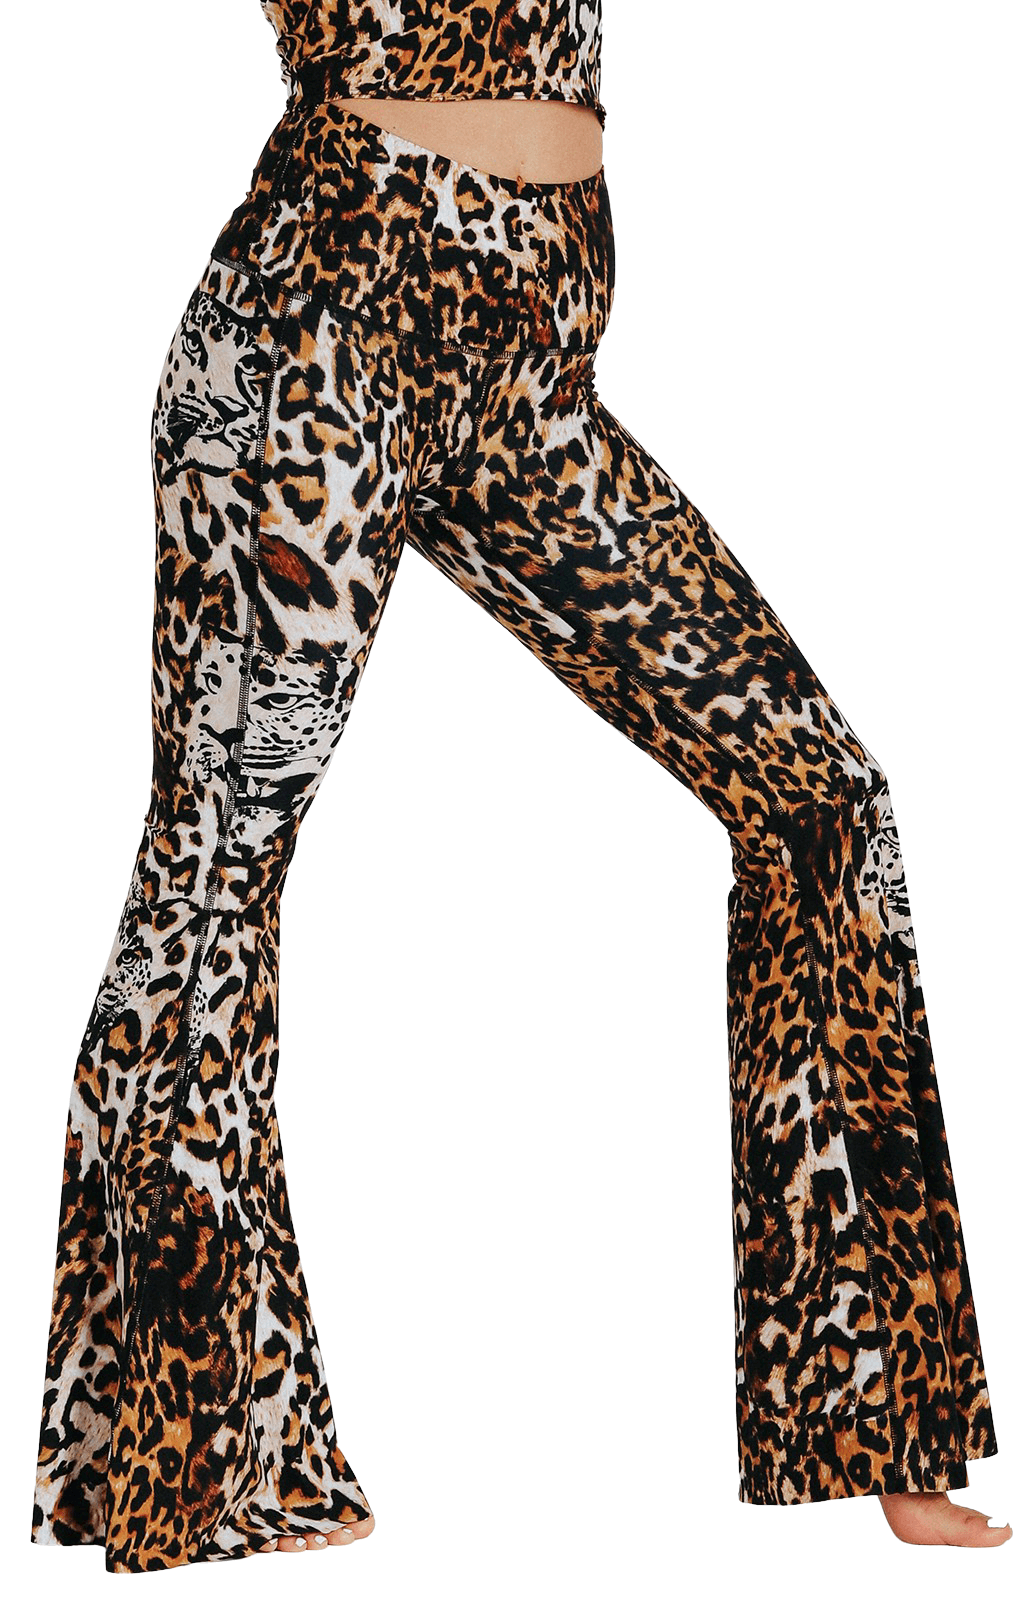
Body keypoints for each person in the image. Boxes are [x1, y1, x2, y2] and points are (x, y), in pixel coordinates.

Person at [31, 1, 1011, 1573]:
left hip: (532, 375)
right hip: (323, 331)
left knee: (820, 801)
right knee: (216, 870)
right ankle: (187, 1458)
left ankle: (872, 1416)